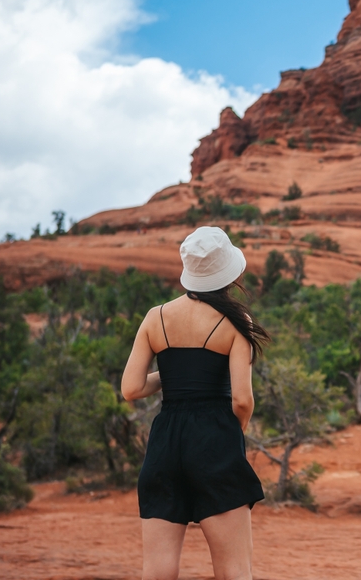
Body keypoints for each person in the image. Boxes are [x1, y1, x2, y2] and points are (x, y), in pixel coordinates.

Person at [122, 226, 268, 580]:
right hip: (215, 439)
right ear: (229, 273)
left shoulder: (155, 317)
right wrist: (230, 439)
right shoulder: (236, 321)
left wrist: (176, 380)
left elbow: (132, 389)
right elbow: (243, 399)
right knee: (235, 570)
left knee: (157, 571)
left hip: (166, 441)